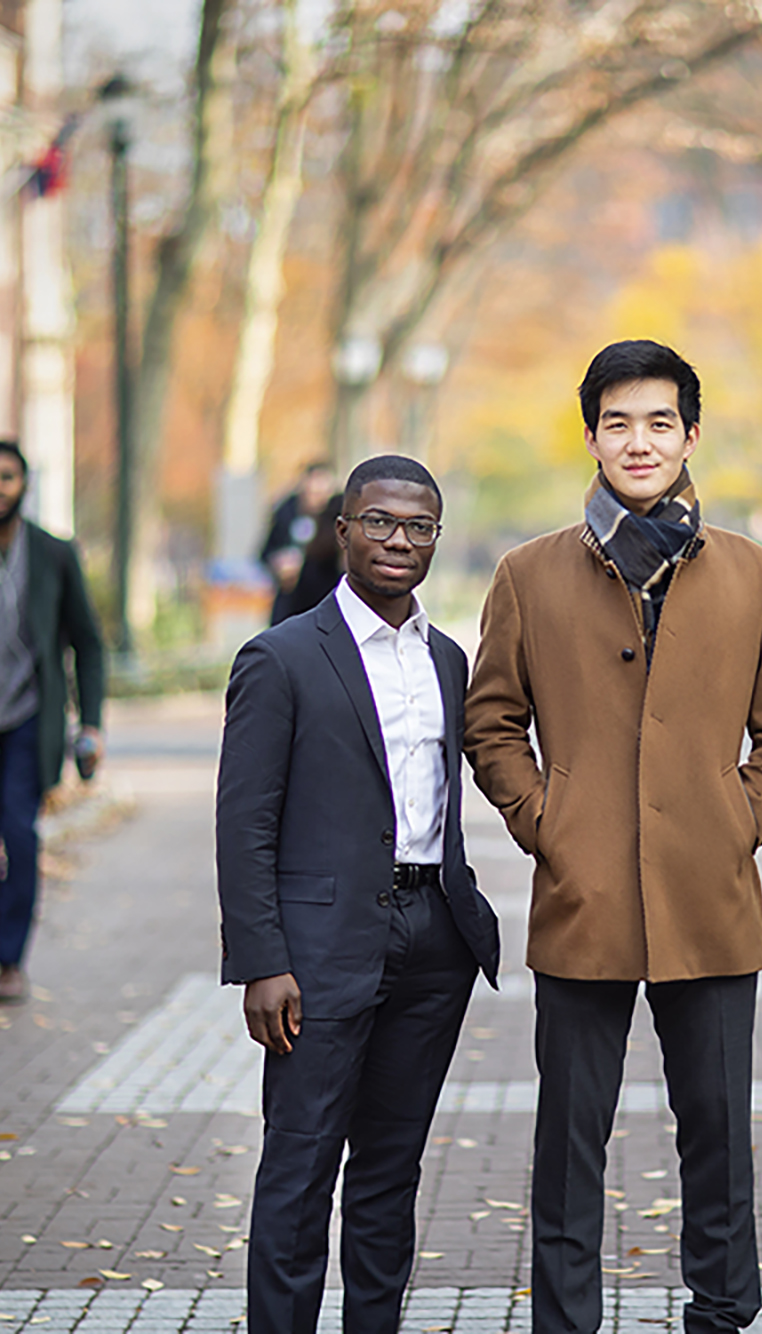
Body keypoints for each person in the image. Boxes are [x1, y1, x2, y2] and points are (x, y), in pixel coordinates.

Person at [465, 339, 762, 1334]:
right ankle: (565, 1321)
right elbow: (490, 720)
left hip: (709, 895)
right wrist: (546, 820)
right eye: (616, 421)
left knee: (715, 1131)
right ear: (589, 435)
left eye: (659, 420)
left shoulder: (753, 574)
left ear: (691, 434)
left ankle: (719, 1309)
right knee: (570, 1137)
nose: (638, 440)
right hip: (582, 897)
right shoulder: (528, 573)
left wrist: (738, 813)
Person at [216, 455, 501, 1334]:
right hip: (318, 952)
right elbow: (244, 823)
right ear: (341, 530)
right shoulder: (282, 657)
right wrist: (262, 960)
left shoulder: (449, 660)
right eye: (379, 522)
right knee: (299, 1169)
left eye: (419, 527)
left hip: (433, 942)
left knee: (390, 1171)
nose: (399, 541)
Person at [0, 441, 108, 1004]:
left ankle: (10, 960)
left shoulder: (54, 552)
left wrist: (93, 723)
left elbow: (89, 642)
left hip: (32, 716)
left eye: (6, 477)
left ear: (24, 484)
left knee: (20, 833)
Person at [260, 461, 338, 624]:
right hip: (290, 602)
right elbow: (266, 551)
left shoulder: (337, 515)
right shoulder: (286, 512)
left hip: (325, 597)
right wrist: (278, 564)